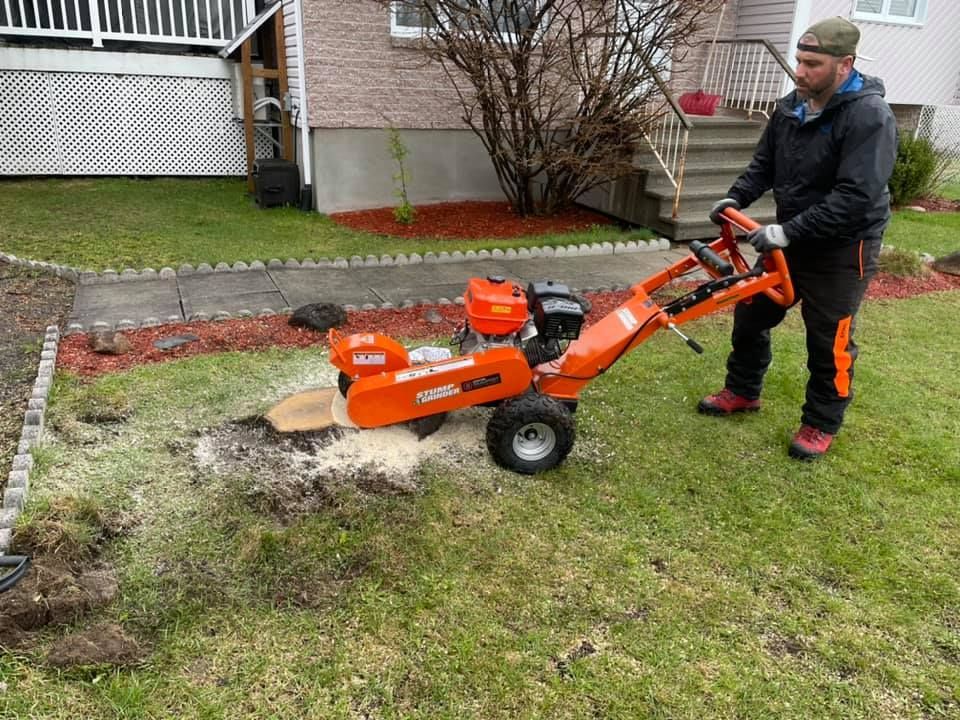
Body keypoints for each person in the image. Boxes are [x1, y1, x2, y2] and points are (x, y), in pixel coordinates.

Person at [699, 16, 897, 460]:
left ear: (844, 65)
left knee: (829, 339)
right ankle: (743, 390)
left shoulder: (869, 116)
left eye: (812, 64)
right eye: (799, 60)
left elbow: (856, 196)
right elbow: (764, 165)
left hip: (844, 246)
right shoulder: (792, 105)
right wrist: (734, 198)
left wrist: (787, 231)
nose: (800, 71)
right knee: (751, 313)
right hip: (790, 238)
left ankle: (820, 423)